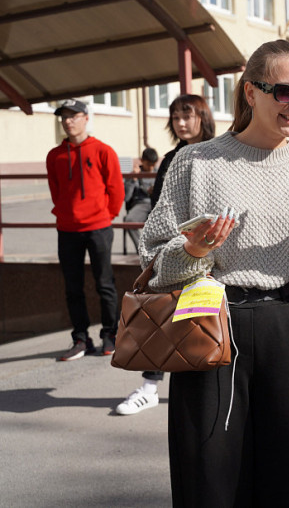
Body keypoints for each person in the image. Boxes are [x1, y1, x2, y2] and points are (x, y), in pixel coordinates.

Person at [139, 39, 289, 506]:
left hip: (286, 327)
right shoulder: (195, 162)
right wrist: (194, 249)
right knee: (209, 476)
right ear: (249, 93)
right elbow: (153, 260)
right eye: (284, 91)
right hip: (208, 321)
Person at [115, 94, 216, 416]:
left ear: (203, 117)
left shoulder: (219, 153)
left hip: (212, 251)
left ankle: (209, 386)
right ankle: (149, 387)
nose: (182, 123)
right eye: (176, 118)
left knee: (203, 325)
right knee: (161, 316)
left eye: (188, 116)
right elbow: (160, 209)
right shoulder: (171, 158)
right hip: (177, 252)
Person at [47, 99, 124, 361]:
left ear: (85, 118)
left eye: (73, 116)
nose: (68, 121)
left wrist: (105, 215)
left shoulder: (103, 151)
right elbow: (56, 191)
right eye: (63, 117)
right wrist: (67, 214)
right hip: (67, 229)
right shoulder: (54, 155)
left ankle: (110, 335)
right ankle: (81, 339)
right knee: (72, 287)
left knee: (105, 284)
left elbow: (116, 190)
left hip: (98, 227)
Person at [123, 147, 158, 253]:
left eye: (153, 164)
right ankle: (142, 250)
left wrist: (156, 191)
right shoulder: (134, 173)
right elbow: (127, 197)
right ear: (142, 161)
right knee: (129, 221)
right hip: (140, 204)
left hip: (157, 204)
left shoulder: (160, 173)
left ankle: (159, 251)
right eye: (149, 164)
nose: (151, 167)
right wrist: (133, 179)